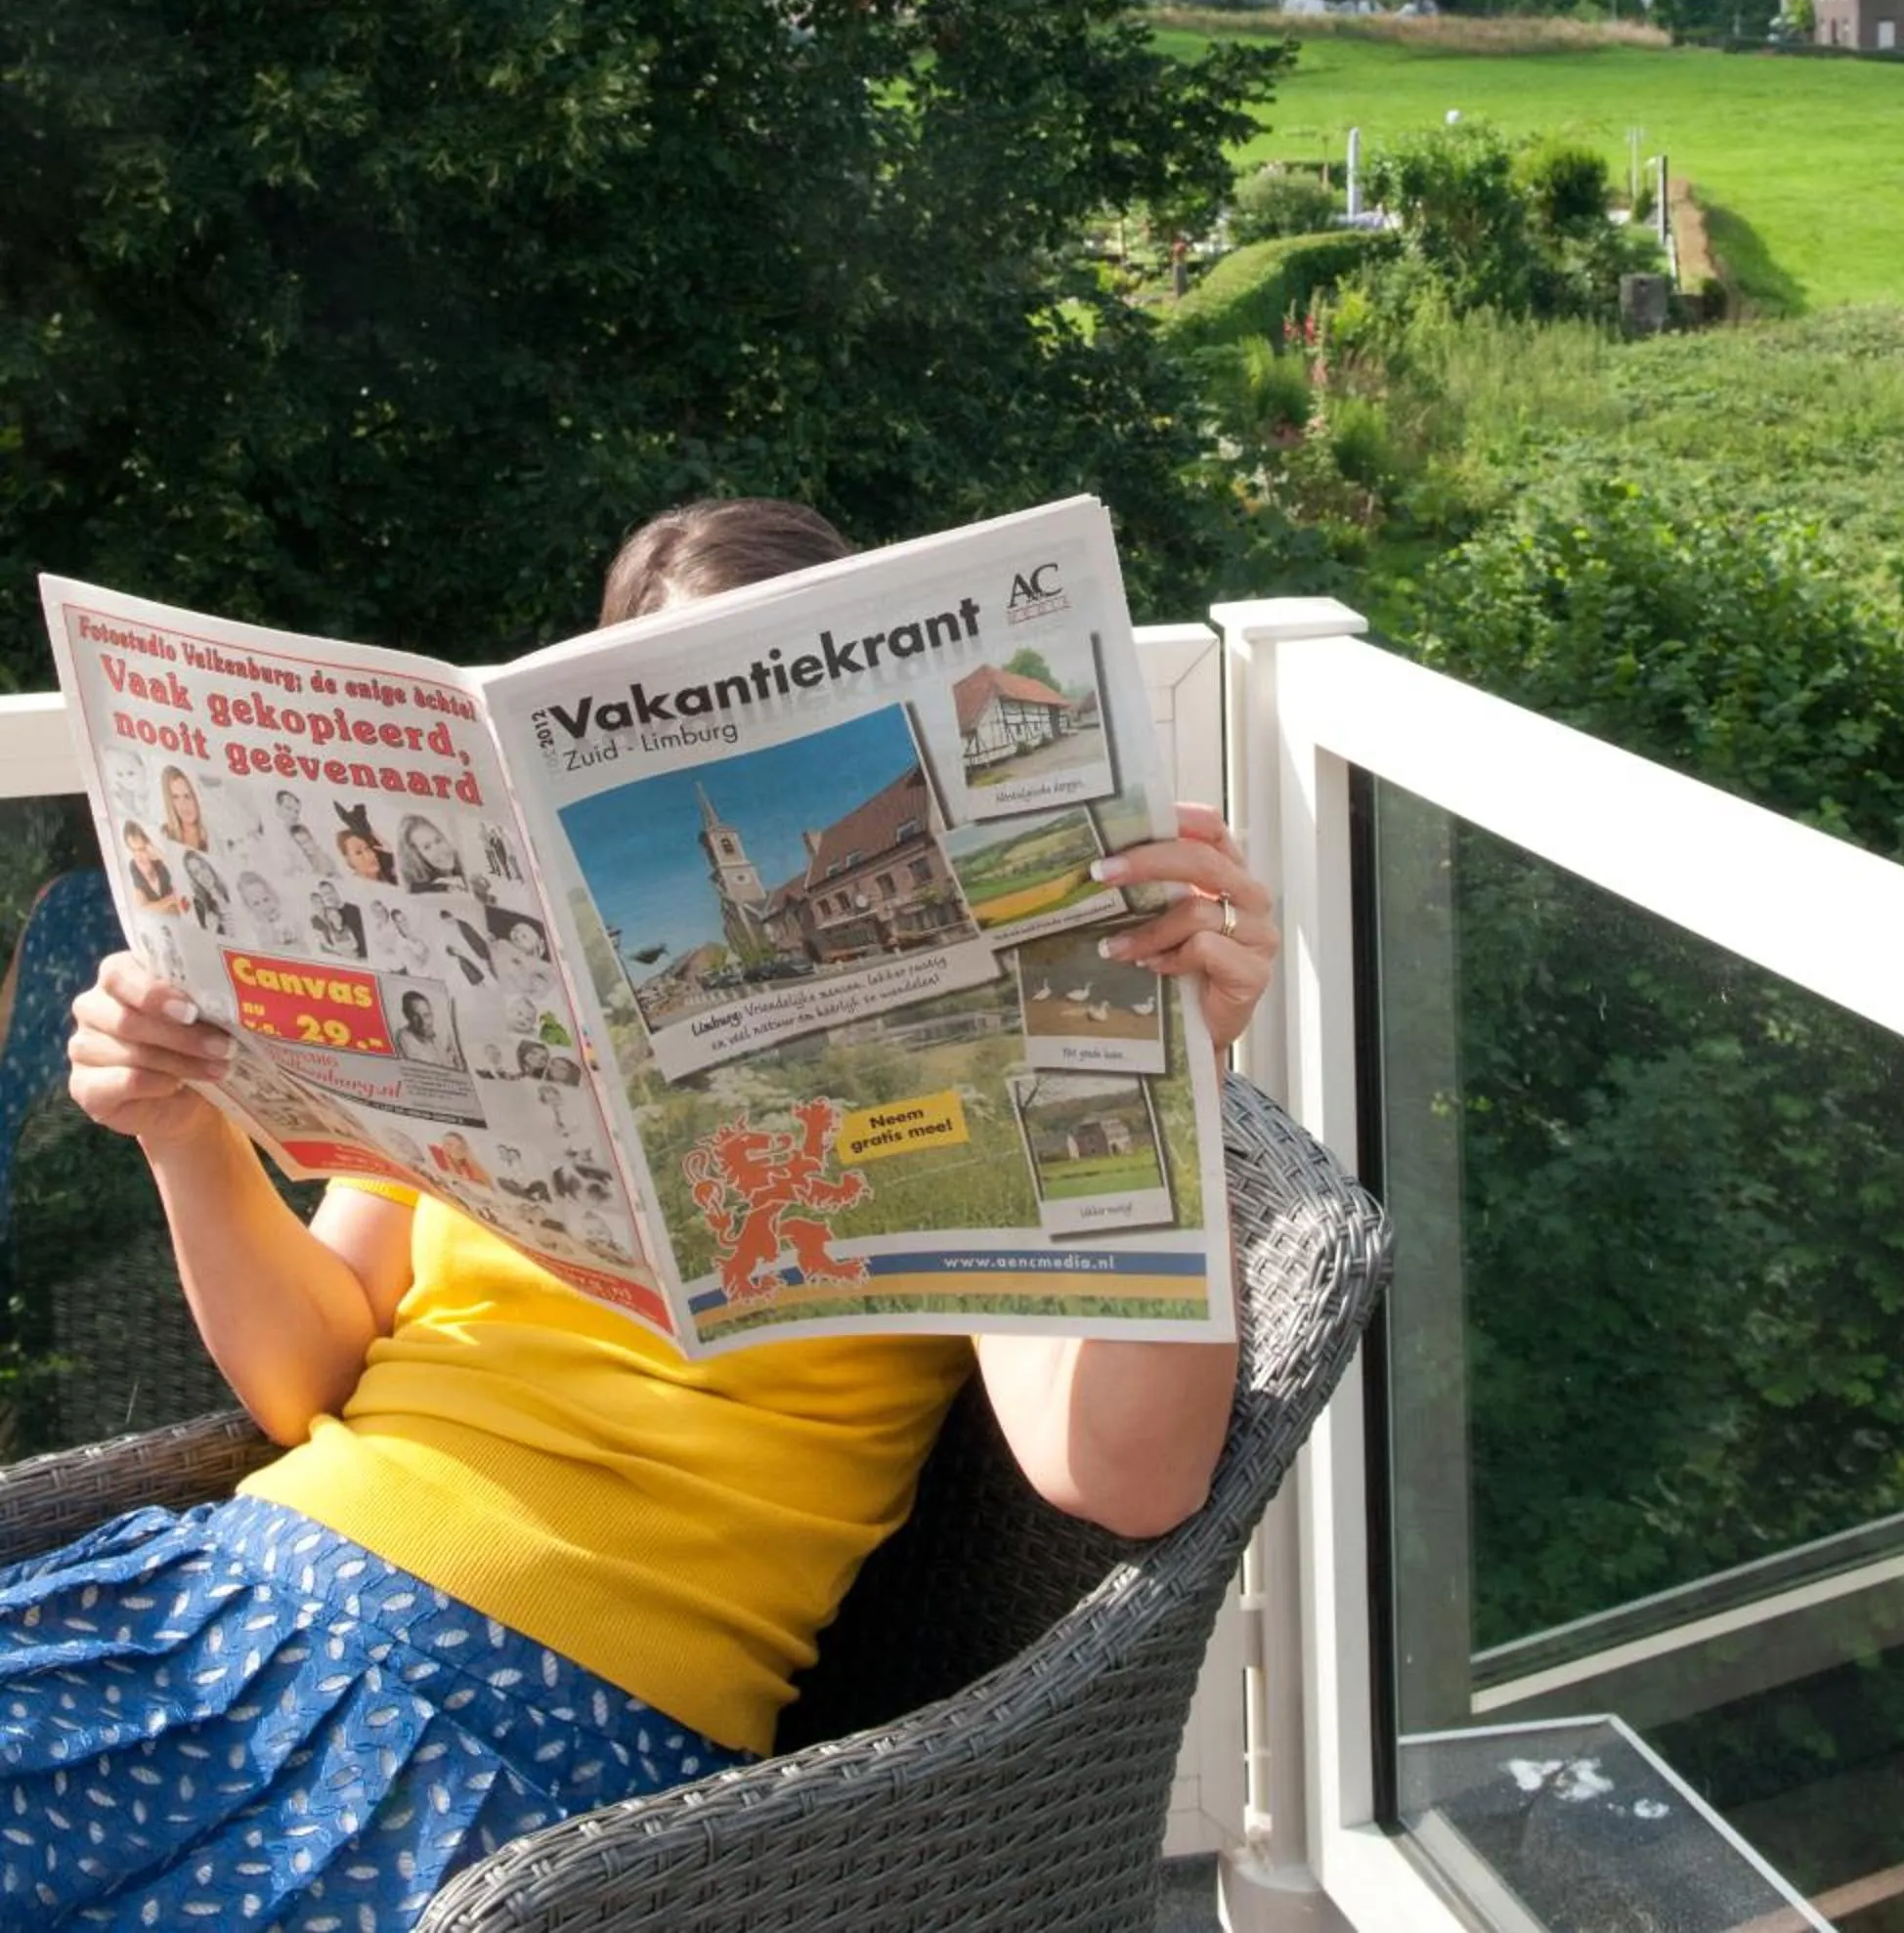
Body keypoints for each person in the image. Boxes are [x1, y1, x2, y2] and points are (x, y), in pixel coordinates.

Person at [14, 498, 1277, 1933]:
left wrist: (1174, 1072)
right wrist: (182, 1135)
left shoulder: (971, 1063)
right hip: (244, 1594)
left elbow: (1126, 1474)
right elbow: (307, 1382)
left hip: (544, 1749)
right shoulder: (510, 997)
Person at [397, 811, 470, 894]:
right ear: (418, 857)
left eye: (438, 840)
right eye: (427, 847)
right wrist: (446, 888)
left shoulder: (464, 862)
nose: (439, 850)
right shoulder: (423, 890)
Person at [158, 764, 211, 855]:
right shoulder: (164, 835)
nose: (183, 805)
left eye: (187, 796)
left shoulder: (212, 836)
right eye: (176, 797)